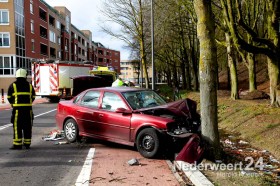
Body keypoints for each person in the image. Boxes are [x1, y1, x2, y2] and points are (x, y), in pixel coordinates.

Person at [7, 68, 35, 150]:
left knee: (17, 127)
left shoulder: (13, 85)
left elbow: (9, 97)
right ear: (25, 76)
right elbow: (33, 97)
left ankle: (17, 144)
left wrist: (13, 103)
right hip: (28, 110)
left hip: (17, 111)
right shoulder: (30, 85)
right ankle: (27, 143)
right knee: (27, 127)